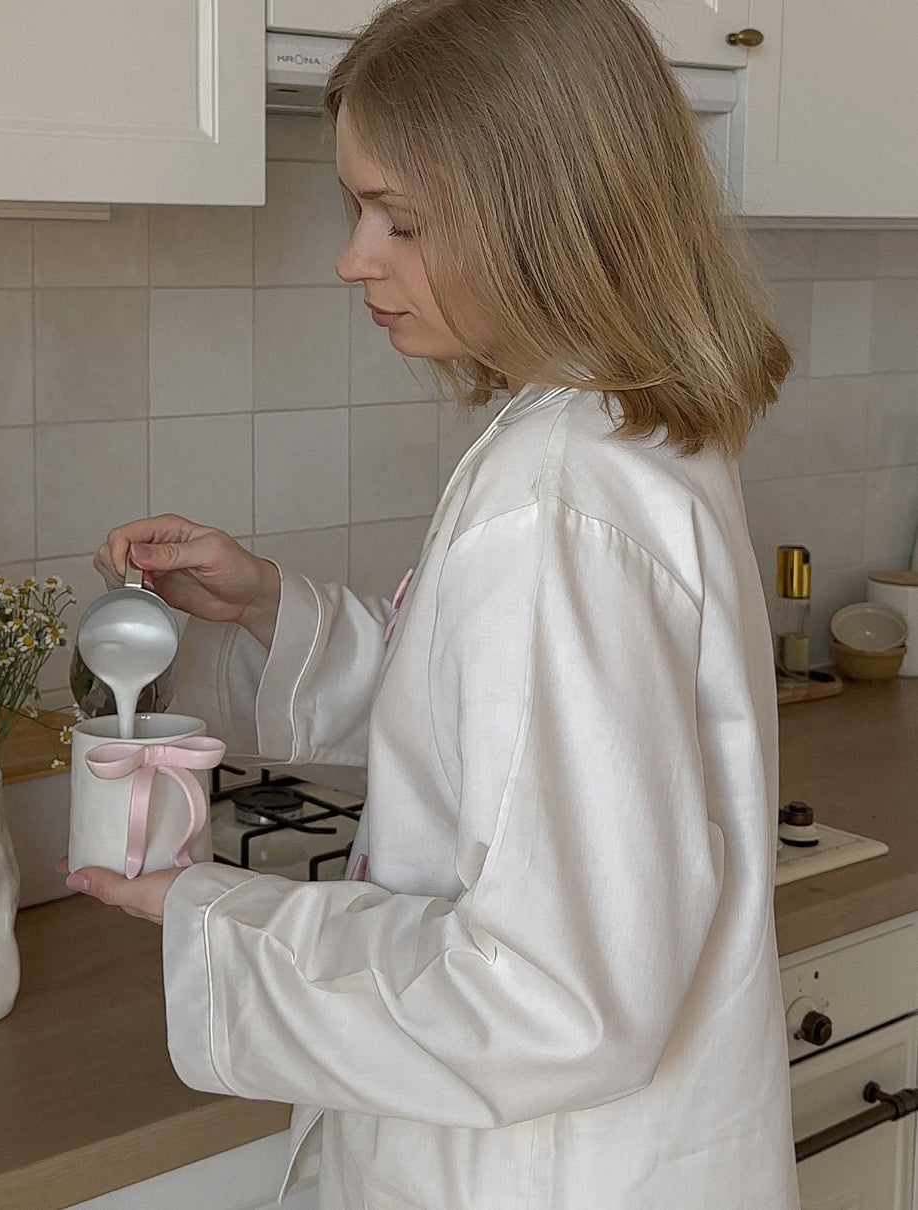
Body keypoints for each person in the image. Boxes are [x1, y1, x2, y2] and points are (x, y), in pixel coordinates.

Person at [66, 0, 800, 1205]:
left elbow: (550, 1004)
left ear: (543, 215)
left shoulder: (553, 497)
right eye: (358, 209)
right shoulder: (614, 428)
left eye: (398, 218)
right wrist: (268, 609)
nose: (356, 257)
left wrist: (210, 912)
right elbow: (502, 748)